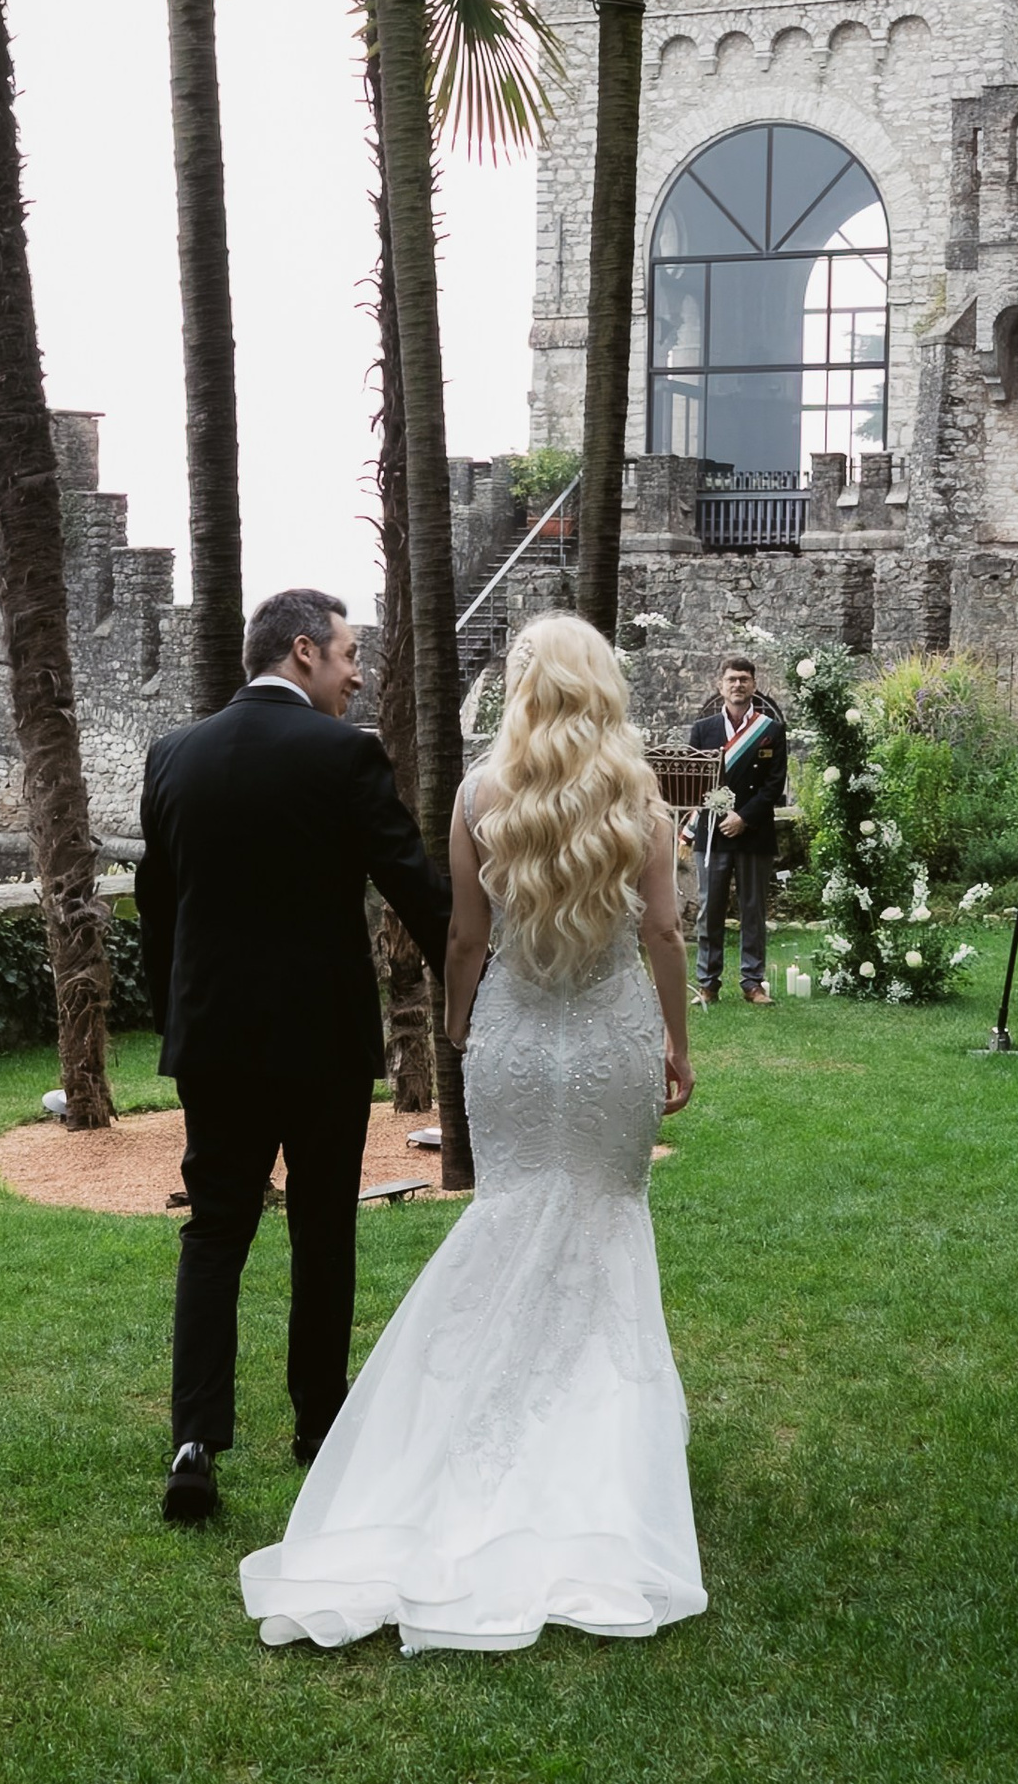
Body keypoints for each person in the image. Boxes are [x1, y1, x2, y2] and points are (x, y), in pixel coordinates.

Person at [239, 613, 705, 1657]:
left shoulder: (479, 794)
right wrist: (677, 1042)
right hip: (611, 1039)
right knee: (603, 1221)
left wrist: (461, 1027)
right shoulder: (637, 795)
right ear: (601, 688)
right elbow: (664, 930)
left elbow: (462, 934)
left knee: (509, 1216)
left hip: (514, 1039)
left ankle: (466, 1437)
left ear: (523, 690)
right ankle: (600, 1451)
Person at [136, 586, 449, 1528]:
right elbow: (413, 887)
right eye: (350, 654)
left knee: (215, 1231)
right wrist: (479, 985)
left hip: (214, 1042)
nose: (358, 675)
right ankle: (320, 1427)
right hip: (321, 1043)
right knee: (322, 1229)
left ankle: (194, 1443)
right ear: (305, 650)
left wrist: (176, 1017)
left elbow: (159, 909)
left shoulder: (174, 755)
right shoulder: (344, 754)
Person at [688, 653, 787, 1007]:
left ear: (754, 685)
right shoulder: (703, 729)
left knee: (753, 910)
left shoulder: (771, 731)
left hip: (754, 832)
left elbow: (774, 784)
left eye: (744, 679)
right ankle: (708, 983)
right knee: (709, 910)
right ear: (721, 686)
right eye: (732, 679)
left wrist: (743, 817)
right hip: (712, 833)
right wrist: (721, 813)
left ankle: (752, 982)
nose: (738, 685)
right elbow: (694, 779)